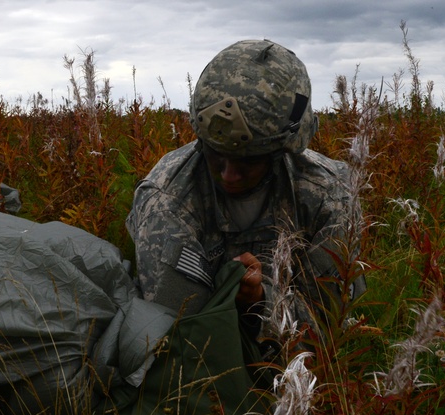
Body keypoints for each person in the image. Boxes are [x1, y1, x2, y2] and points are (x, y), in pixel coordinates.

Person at [126, 39, 365, 341]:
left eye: (247, 162)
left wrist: (262, 301)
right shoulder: (166, 199)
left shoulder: (329, 194)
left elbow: (328, 317)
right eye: (214, 154)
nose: (229, 175)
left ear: (282, 151)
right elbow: (174, 329)